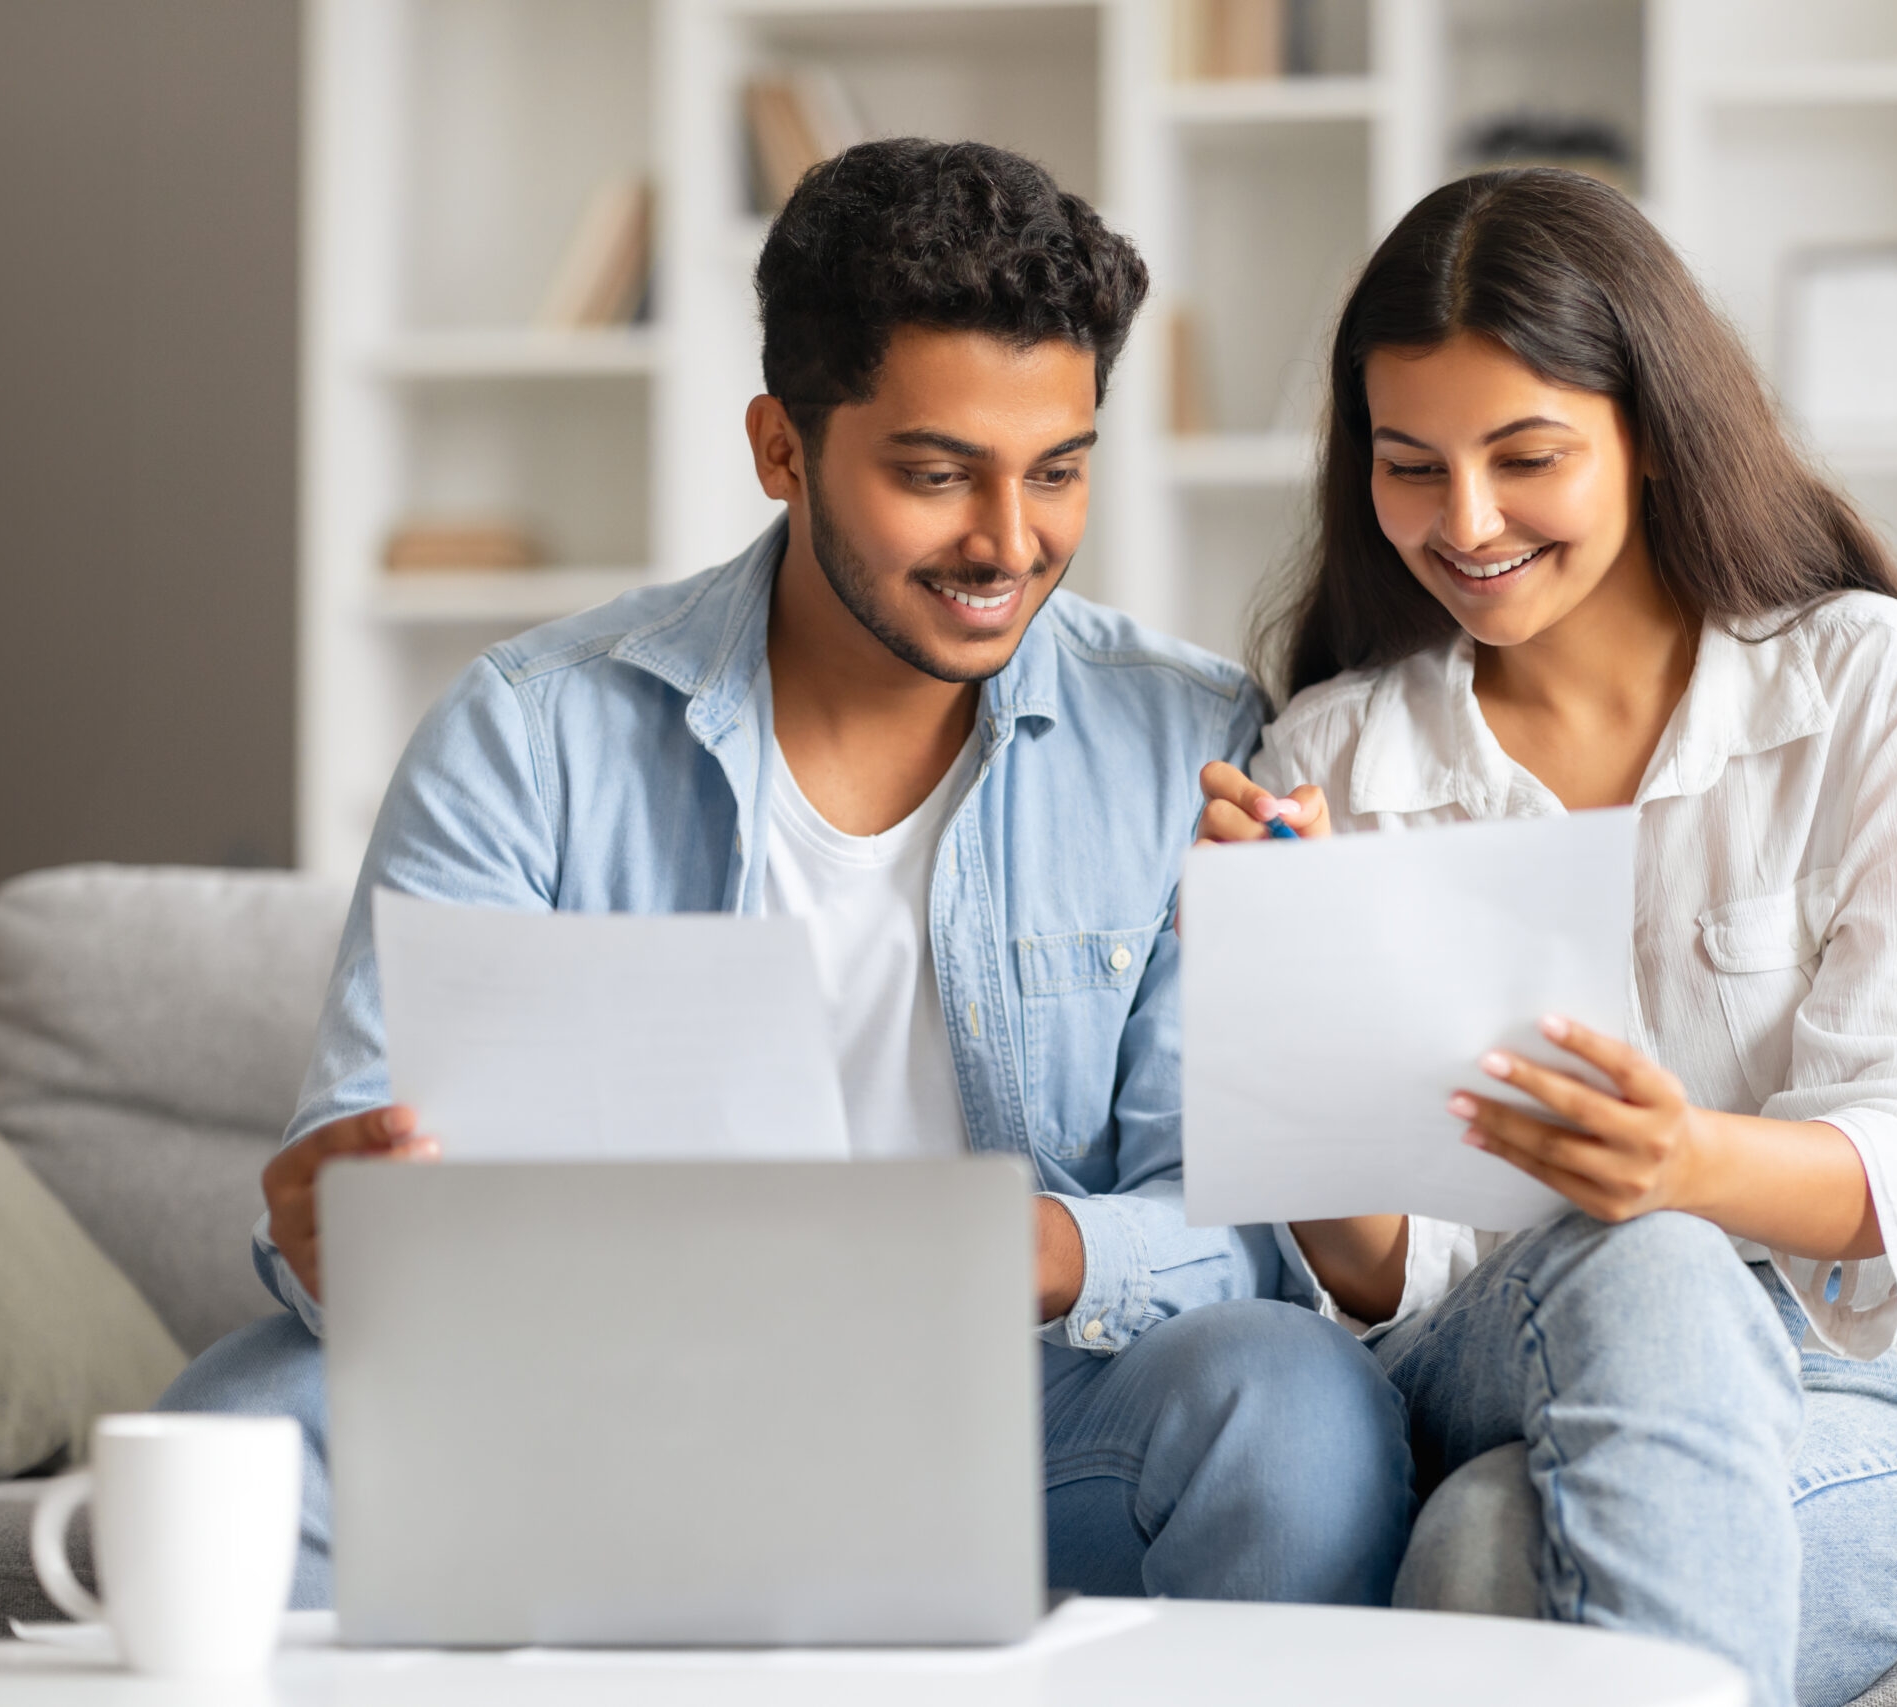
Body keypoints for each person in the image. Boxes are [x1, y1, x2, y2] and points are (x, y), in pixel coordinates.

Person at [164, 138, 1413, 1610]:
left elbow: (1247, 1235)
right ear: (781, 448)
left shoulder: (1188, 735)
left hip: (1021, 1427)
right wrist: (347, 1227)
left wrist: (1023, 1250)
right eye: (937, 476)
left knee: (1295, 1403)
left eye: (1058, 473)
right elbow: (355, 1215)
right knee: (242, 1431)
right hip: (598, 1414)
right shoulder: (531, 733)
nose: (1008, 543)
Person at [1197, 168, 1897, 1707]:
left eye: (1527, 458)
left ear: (1649, 434)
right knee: (1639, 1266)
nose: (1468, 522)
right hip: (1487, 1352)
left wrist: (1682, 1167)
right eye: (1410, 466)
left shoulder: (1866, 686)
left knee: (1485, 1557)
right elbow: (1379, 1274)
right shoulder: (1334, 757)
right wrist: (1278, 1001)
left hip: (1845, 1380)